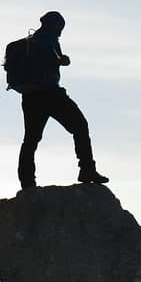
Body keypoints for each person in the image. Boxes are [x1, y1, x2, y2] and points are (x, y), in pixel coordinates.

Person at [16, 11, 108, 189]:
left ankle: (27, 182)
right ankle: (87, 169)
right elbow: (51, 58)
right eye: (60, 28)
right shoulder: (47, 38)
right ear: (56, 25)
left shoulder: (33, 40)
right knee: (80, 126)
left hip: (30, 97)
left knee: (31, 140)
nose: (61, 32)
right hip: (50, 94)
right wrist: (62, 60)